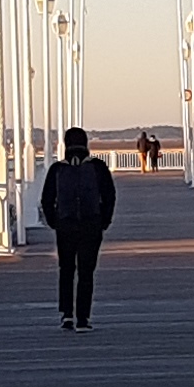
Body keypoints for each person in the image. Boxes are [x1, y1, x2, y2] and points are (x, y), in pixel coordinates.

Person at [38, 124, 116, 329]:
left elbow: (46, 199)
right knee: (86, 271)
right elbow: (109, 196)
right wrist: (104, 221)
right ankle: (83, 317)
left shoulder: (57, 169)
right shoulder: (98, 167)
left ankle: (66, 315)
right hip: (91, 224)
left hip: (65, 225)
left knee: (66, 270)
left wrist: (54, 221)